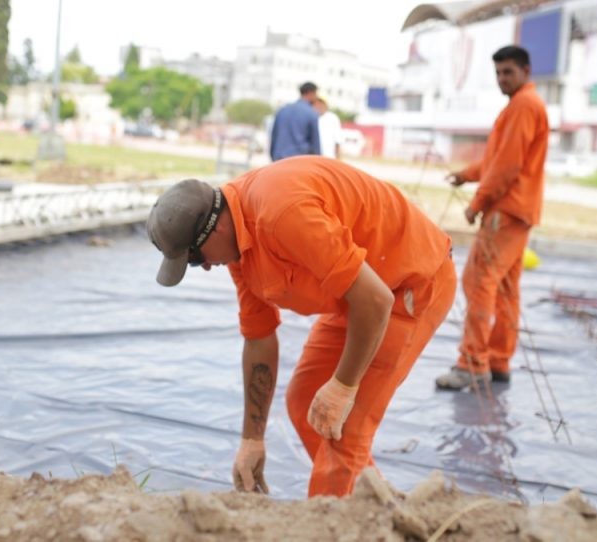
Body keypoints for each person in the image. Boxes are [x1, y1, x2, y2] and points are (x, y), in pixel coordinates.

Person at [146, 156, 456, 497]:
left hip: (407, 285)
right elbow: (259, 338)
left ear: (215, 229)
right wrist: (252, 438)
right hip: (359, 294)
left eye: (195, 257)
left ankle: (331, 525)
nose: (203, 267)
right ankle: (370, 501)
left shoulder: (282, 214)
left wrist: (343, 387)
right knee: (305, 398)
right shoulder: (238, 243)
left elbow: (376, 301)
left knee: (345, 427)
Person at [435, 45, 550, 391]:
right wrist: (466, 175)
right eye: (498, 73)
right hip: (519, 211)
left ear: (526, 72)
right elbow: (497, 160)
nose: (502, 79)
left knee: (478, 282)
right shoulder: (523, 106)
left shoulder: (523, 106)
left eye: (508, 72)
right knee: (504, 289)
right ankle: (498, 361)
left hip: (505, 210)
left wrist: (477, 203)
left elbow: (507, 166)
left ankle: (471, 364)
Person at [269, 82, 321, 161]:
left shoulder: (283, 110)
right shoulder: (311, 113)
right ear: (311, 93)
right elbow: (315, 143)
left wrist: (273, 156)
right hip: (298, 160)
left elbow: (274, 135)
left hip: (279, 158)